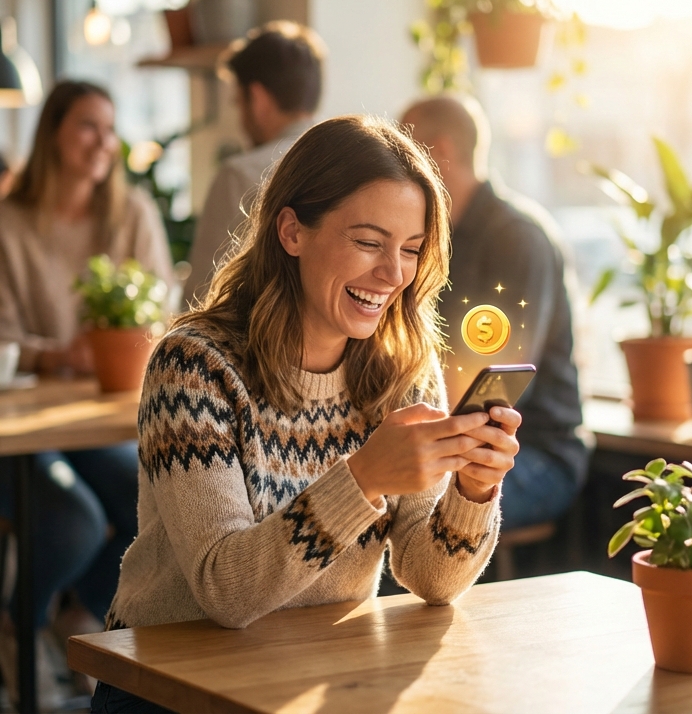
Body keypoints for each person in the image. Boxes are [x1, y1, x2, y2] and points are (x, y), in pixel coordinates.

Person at [94, 116, 519, 712]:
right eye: (368, 242)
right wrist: (363, 478)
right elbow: (224, 589)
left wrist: (472, 491)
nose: (393, 273)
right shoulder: (194, 367)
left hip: (316, 674)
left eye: (410, 249)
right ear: (292, 231)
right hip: (165, 686)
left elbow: (431, 578)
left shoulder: (403, 370)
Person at [0, 80, 174, 706]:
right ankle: (19, 624)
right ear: (52, 133)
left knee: (153, 499)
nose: (104, 142)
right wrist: (55, 355)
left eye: (110, 128)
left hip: (101, 418)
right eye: (87, 126)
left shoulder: (132, 215)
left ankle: (82, 615)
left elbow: (159, 314)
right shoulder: (8, 222)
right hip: (22, 426)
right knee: (73, 521)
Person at [400, 96, 589, 532]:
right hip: (462, 445)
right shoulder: (437, 239)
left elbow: (495, 384)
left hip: (538, 456)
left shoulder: (518, 239)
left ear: (441, 151)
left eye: (405, 154)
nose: (397, 170)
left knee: (406, 505)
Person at [184, 21, 324, 306]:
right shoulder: (350, 164)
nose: (241, 120)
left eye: (238, 102)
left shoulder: (239, 176)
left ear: (258, 99)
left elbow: (201, 296)